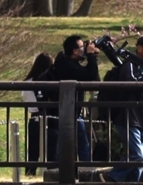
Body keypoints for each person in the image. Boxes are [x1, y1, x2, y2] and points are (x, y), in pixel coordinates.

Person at [102, 34, 143, 182]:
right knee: (138, 155)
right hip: (127, 115)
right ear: (139, 48)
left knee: (140, 158)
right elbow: (131, 84)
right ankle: (111, 177)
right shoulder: (129, 65)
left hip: (139, 116)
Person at [40, 35, 101, 163]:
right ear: (74, 51)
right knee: (77, 146)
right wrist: (90, 56)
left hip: (70, 112)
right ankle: (75, 172)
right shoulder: (67, 66)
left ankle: (63, 171)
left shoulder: (67, 62)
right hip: (66, 112)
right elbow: (90, 76)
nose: (84, 49)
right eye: (81, 47)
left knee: (70, 145)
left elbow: (94, 80)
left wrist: (92, 57)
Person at [21, 52, 53, 175]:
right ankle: (51, 171)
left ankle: (30, 171)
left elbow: (26, 97)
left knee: (33, 148)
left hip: (33, 116)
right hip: (47, 115)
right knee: (50, 147)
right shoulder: (45, 81)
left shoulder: (27, 81)